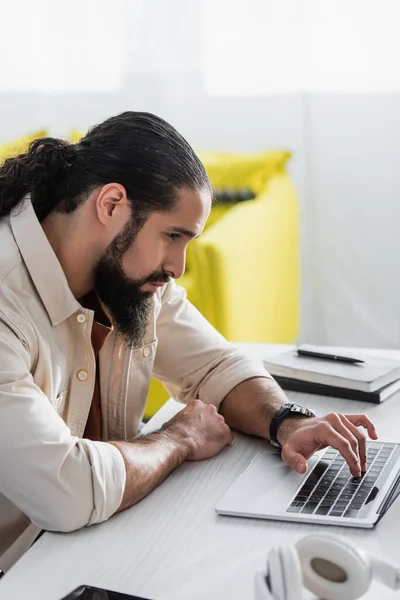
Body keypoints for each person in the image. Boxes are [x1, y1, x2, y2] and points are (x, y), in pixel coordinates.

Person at [0, 112, 377, 571]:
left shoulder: (125, 278)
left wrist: (287, 422)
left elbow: (214, 366)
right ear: (112, 204)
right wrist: (178, 437)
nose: (178, 266)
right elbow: (67, 491)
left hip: (97, 544)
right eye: (172, 236)